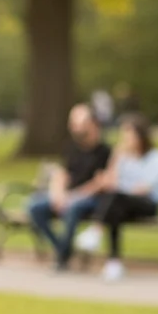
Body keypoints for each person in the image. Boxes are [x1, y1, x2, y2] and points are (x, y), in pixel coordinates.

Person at [75, 114, 158, 281]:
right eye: (124, 136)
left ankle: (96, 231)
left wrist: (120, 190)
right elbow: (111, 183)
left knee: (114, 200)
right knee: (114, 210)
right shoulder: (124, 157)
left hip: (148, 204)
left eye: (129, 135)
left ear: (141, 137)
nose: (126, 140)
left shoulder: (157, 158)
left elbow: (143, 189)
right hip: (122, 203)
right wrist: (115, 159)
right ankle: (114, 264)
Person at [27, 104, 111, 271]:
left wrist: (74, 196)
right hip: (68, 196)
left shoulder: (105, 151)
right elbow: (62, 174)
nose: (76, 128)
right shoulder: (72, 148)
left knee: (73, 208)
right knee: (34, 206)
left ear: (93, 124)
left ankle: (61, 257)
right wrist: (58, 195)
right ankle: (63, 249)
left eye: (81, 123)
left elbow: (102, 183)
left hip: (90, 199)